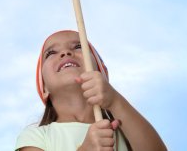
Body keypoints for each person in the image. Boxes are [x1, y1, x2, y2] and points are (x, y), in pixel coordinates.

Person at [15, 30, 167, 151]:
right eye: (51, 53)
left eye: (78, 46)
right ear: (44, 88)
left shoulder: (126, 130)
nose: (66, 53)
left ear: (101, 74)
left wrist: (114, 100)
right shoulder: (35, 136)